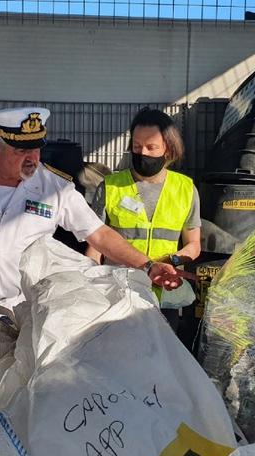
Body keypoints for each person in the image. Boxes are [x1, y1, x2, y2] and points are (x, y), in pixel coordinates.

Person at [0, 107, 194, 320]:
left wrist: (148, 266)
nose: (32, 158)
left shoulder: (54, 186)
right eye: (21, 150)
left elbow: (99, 234)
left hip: (25, 310)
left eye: (36, 148)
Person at [85, 108, 201, 330]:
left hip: (164, 292)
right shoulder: (110, 186)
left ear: (169, 149)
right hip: (118, 291)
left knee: (162, 348)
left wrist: (171, 261)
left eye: (151, 147)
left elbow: (194, 245)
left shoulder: (186, 189)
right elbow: (95, 244)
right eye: (137, 146)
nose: (143, 153)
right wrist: (90, 284)